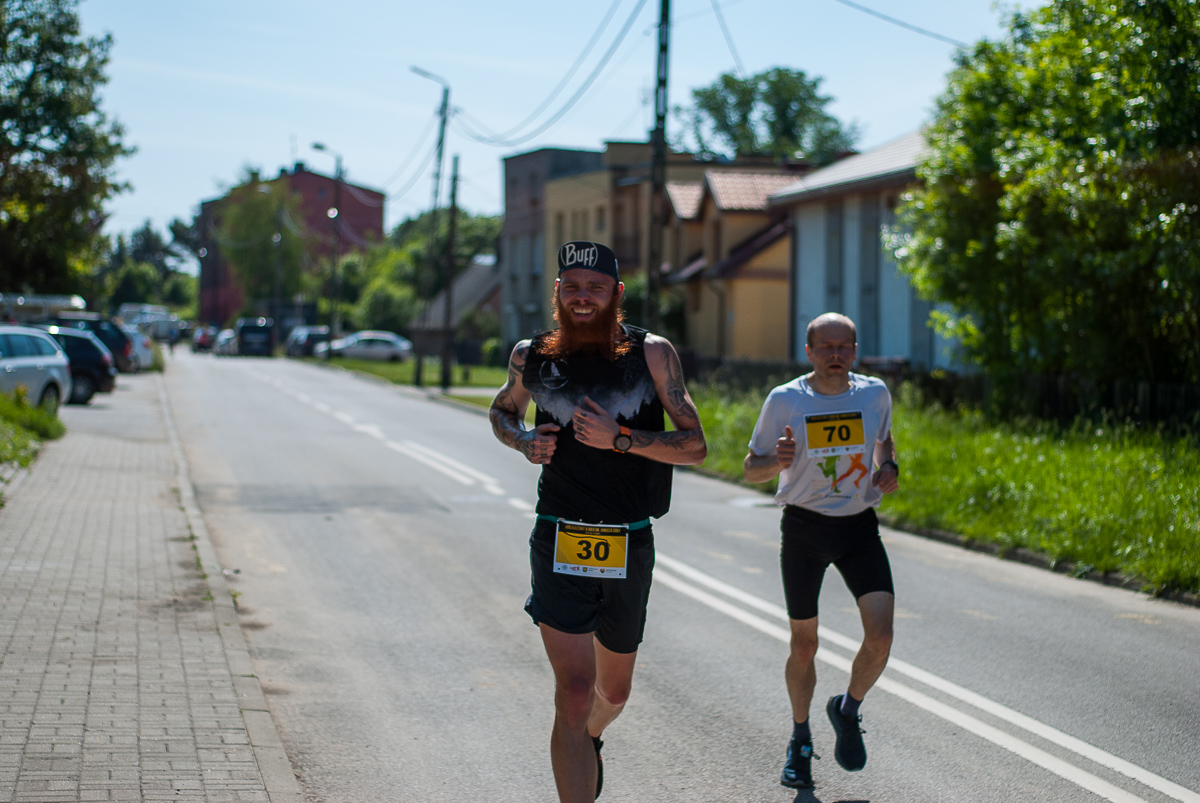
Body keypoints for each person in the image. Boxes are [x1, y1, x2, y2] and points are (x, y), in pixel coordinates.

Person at [490, 241, 706, 801]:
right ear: (557, 291)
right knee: (574, 691)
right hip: (559, 535)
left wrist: (622, 439)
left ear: (617, 293)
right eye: (572, 287)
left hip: (627, 540)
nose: (583, 297)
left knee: (613, 693)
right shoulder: (532, 355)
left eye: (596, 287)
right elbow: (503, 410)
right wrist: (522, 440)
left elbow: (695, 445)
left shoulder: (651, 354)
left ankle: (590, 739)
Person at [742, 312, 900, 789]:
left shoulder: (874, 393)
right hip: (805, 529)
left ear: (855, 351)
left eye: (844, 347)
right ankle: (800, 739)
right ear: (808, 351)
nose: (835, 355)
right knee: (804, 644)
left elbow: (884, 440)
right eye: (826, 347)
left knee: (881, 637)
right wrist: (776, 462)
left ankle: (847, 709)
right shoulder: (785, 399)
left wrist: (888, 467)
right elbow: (751, 468)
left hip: (858, 529)